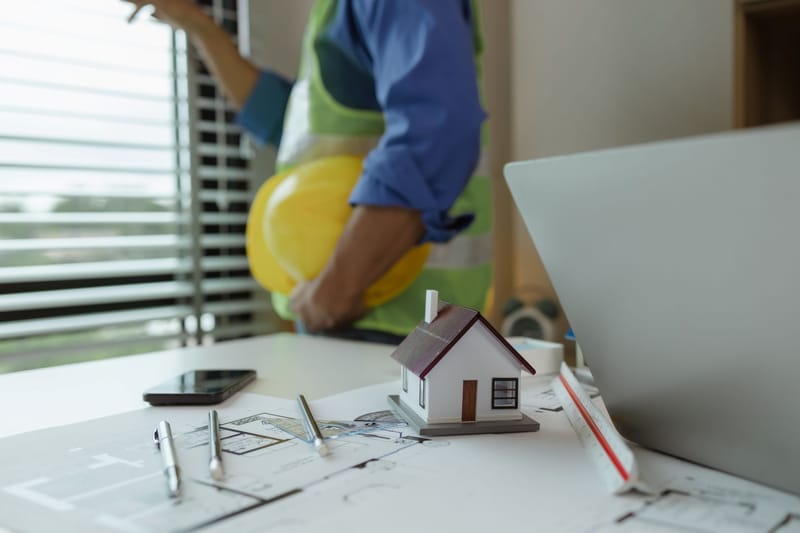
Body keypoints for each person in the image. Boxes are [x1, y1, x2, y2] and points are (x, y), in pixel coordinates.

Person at [123, 0, 492, 344]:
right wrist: (197, 25)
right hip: (363, 318)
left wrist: (338, 287)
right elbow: (294, 131)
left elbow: (438, 129)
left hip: (389, 325)